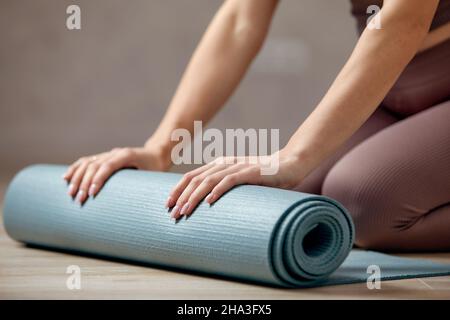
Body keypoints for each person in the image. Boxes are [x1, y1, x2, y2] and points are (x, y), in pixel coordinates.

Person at [63, 0, 450, 251]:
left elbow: (402, 20)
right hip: (396, 90)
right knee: (295, 205)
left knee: (366, 204)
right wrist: (161, 148)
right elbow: (240, 19)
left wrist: (294, 156)